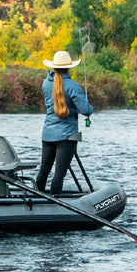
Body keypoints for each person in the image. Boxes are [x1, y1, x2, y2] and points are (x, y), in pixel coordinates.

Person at [36, 50, 93, 194]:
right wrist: (89, 107)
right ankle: (55, 203)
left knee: (44, 171)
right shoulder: (72, 86)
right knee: (59, 174)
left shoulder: (45, 84)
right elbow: (86, 110)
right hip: (66, 136)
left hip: (48, 134)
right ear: (69, 67)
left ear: (54, 67)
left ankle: (35, 202)